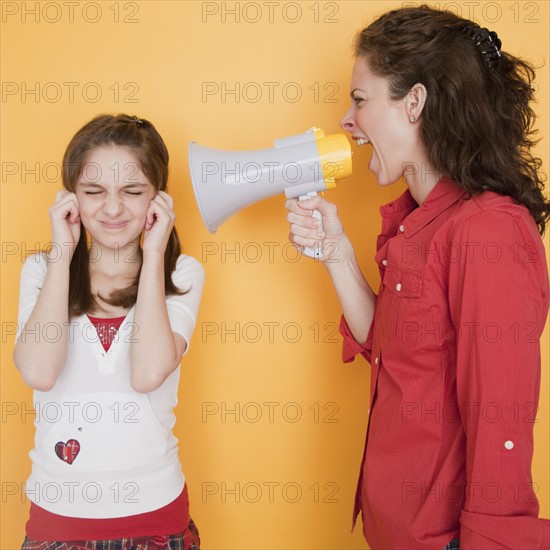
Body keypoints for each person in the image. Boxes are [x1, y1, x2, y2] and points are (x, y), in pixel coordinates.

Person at [286, 5, 550, 549]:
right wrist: (336, 252)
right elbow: (392, 351)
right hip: (396, 533)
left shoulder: (487, 231)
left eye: (360, 100)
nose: (347, 120)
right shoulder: (418, 221)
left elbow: (499, 416)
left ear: (415, 102)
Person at [13, 114, 205, 550]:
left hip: (156, 520)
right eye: (93, 192)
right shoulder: (42, 271)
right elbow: (40, 372)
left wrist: (154, 252)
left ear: (158, 198)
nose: (113, 208)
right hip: (57, 524)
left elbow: (147, 373)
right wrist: (62, 253)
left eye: (133, 192)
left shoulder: (182, 274)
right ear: (70, 199)